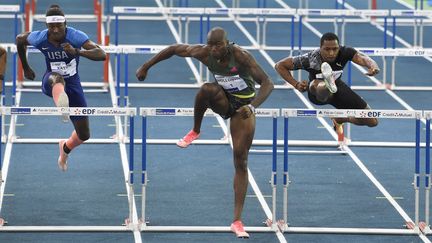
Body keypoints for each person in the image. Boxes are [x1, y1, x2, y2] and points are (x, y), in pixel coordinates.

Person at [136, 27, 274, 238]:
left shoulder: (241, 56)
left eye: (218, 45)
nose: (214, 49)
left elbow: (267, 83)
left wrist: (253, 106)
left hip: (243, 109)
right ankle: (195, 130)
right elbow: (174, 49)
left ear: (227, 44)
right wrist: (146, 66)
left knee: (241, 160)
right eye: (211, 45)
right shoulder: (203, 52)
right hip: (223, 100)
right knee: (205, 90)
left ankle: (237, 221)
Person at [16, 4, 106, 171]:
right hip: (50, 80)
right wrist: (26, 67)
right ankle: (62, 105)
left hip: (73, 84)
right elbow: (20, 39)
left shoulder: (75, 36)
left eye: (59, 26)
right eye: (51, 27)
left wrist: (77, 52)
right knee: (57, 79)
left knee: (84, 135)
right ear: (47, 26)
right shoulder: (40, 38)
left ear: (66, 24)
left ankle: (65, 148)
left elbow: (101, 54)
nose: (55, 30)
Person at [275, 32, 379, 141]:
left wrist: (373, 66)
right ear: (320, 48)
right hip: (317, 94)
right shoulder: (310, 58)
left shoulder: (345, 52)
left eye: (335, 49)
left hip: (338, 89)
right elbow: (280, 65)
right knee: (317, 85)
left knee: (371, 121)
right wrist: (296, 84)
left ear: (339, 47)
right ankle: (326, 83)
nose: (331, 53)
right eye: (327, 49)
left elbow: (362, 57)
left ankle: (340, 118)